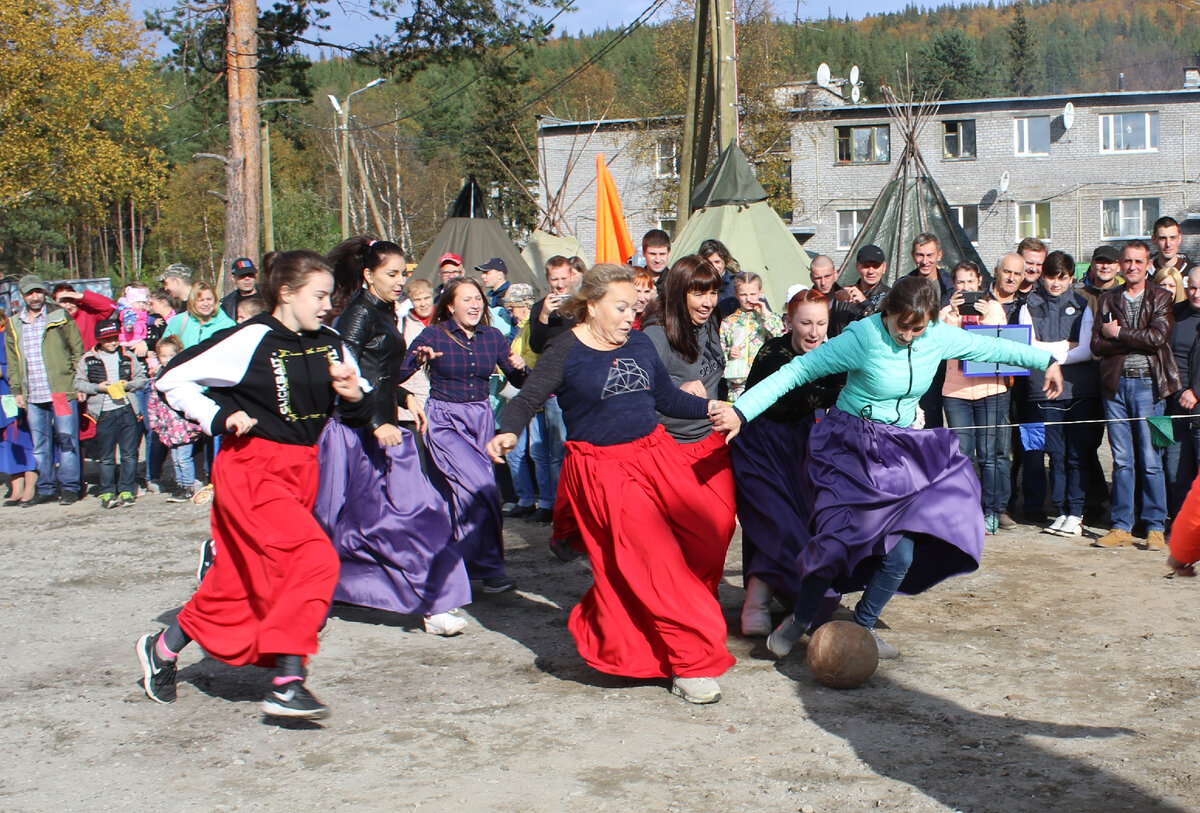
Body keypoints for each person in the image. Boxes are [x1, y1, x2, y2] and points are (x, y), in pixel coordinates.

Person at [710, 276, 1062, 660]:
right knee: (836, 543)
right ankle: (800, 619)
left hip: (900, 452)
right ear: (888, 313)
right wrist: (741, 411)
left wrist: (1046, 360)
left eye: (918, 328)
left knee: (902, 553)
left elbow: (987, 345)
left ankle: (862, 628)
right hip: (850, 448)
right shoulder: (862, 337)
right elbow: (795, 373)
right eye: (902, 327)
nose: (909, 336)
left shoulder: (937, 336)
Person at [135, 249, 369, 720]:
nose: (327, 306)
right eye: (318, 295)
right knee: (314, 559)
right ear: (286, 293)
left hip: (303, 470)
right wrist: (219, 415)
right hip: (252, 470)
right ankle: (287, 680)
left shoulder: (331, 343)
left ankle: (162, 647)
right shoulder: (253, 337)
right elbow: (171, 379)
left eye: (330, 296)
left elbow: (358, 413)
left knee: (241, 583)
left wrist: (354, 395)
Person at [486, 263, 735, 704]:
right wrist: (508, 430)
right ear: (592, 305)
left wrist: (711, 407)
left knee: (710, 531)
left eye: (634, 308)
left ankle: (639, 619)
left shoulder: (638, 343)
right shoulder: (566, 350)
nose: (629, 317)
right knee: (655, 561)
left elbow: (665, 398)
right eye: (621, 308)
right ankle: (688, 662)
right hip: (605, 472)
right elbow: (528, 397)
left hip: (656, 454)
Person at [316, 237, 469, 637]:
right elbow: (342, 377)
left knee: (421, 511)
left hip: (383, 430)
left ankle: (433, 603)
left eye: (404, 273)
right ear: (368, 275)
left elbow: (378, 371)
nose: (401, 281)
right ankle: (269, 579)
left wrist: (403, 393)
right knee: (331, 523)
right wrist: (374, 420)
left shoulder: (385, 311)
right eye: (392, 274)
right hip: (353, 434)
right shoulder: (357, 315)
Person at [399, 277, 526, 594]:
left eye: (478, 299)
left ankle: (461, 566)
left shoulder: (492, 336)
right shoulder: (433, 335)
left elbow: (519, 380)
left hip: (481, 420)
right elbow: (397, 374)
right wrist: (418, 359)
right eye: (466, 299)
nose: (474, 304)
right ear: (451, 305)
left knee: (471, 497)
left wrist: (521, 367)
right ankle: (487, 569)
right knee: (478, 490)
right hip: (445, 422)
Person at [731, 289, 843, 636]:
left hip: (802, 447)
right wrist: (849, 392)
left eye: (821, 323)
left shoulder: (833, 351)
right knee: (775, 523)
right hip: (760, 445)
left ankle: (775, 601)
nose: (814, 331)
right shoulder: (772, 352)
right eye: (806, 322)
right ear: (789, 322)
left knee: (799, 522)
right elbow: (796, 395)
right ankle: (757, 605)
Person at [1090, 240, 1180, 551]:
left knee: (1151, 458)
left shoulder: (1162, 296)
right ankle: (1121, 526)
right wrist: (1127, 340)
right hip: (1114, 387)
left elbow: (1156, 338)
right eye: (1127, 261)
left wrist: (1117, 334)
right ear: (1120, 264)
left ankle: (1155, 526)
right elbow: (1096, 345)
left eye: (1138, 262)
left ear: (1148, 264)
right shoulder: (1107, 299)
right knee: (1122, 460)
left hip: (1150, 387)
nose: (1132, 267)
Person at [1017, 251, 1099, 538]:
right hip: (1045, 392)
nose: (1055, 283)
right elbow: (1027, 346)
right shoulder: (1030, 304)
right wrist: (1065, 344)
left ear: (1071, 278)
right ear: (1043, 276)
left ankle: (1076, 512)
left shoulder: (1082, 304)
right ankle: (1062, 509)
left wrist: (1048, 352)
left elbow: (1086, 350)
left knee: (1077, 455)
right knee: (1057, 454)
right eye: (1051, 276)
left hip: (1079, 390)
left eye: (1062, 277)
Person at [940, 261, 1014, 535]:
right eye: (960, 282)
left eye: (970, 282)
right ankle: (964, 511)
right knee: (962, 455)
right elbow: (941, 340)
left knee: (990, 455)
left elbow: (1002, 343)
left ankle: (993, 511)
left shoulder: (994, 307)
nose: (966, 287)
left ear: (979, 282)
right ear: (954, 285)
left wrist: (986, 318)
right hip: (956, 391)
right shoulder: (946, 312)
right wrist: (953, 313)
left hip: (990, 389)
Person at [4, 275, 84, 505]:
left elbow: (77, 350)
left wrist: (77, 382)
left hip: (60, 390)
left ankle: (70, 487)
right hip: (32, 394)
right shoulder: (14, 324)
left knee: (67, 440)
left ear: (44, 292)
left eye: (38, 291)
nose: (35, 296)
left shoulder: (59, 316)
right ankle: (46, 488)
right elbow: (12, 361)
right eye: (30, 293)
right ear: (22, 295)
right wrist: (17, 390)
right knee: (40, 446)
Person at [74, 319, 147, 509]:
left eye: (115, 338)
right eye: (108, 340)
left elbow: (142, 378)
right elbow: (79, 383)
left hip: (127, 410)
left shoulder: (128, 356)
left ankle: (127, 489)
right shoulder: (88, 359)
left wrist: (128, 385)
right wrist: (97, 387)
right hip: (104, 412)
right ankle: (107, 491)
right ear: (99, 340)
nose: (113, 342)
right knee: (106, 456)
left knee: (130, 454)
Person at [146, 335, 201, 502]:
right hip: (168, 427)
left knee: (184, 459)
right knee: (175, 459)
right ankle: (181, 485)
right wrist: (154, 422)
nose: (167, 359)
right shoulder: (157, 377)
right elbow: (153, 402)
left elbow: (194, 400)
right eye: (163, 356)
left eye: (171, 355)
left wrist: (197, 424)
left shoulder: (184, 375)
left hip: (184, 426)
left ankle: (189, 486)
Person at [1165, 267, 1200, 515]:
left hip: (1197, 405)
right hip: (1173, 405)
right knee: (1173, 466)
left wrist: (1197, 391)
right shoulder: (1175, 314)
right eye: (1192, 287)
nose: (1196, 293)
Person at [719, 272, 784, 400]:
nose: (748, 299)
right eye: (743, 294)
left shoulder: (768, 318)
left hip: (763, 381)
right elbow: (719, 352)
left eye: (753, 294)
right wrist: (729, 352)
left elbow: (781, 337)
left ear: (760, 292)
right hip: (737, 385)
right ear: (736, 294)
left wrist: (766, 315)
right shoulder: (729, 322)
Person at [0, 314, 36, 506]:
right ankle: (16, 486)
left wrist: (3, 371)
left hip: (11, 393)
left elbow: (21, 363)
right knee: (6, 444)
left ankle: (30, 486)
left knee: (22, 439)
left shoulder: (9, 333)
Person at [831, 244, 891, 336]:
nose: (871, 271)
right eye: (866, 266)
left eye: (876, 266)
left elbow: (883, 330)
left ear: (884, 267)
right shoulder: (844, 295)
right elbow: (833, 330)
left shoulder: (891, 296)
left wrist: (865, 305)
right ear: (858, 267)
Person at [164, 282, 237, 349]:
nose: (206, 304)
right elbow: (164, 347)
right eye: (201, 300)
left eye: (209, 299)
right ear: (193, 301)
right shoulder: (180, 321)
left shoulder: (228, 325)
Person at [52, 284, 116, 352]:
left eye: (71, 300)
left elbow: (110, 307)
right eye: (63, 302)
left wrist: (82, 296)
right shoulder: (51, 320)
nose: (68, 306)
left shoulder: (88, 312)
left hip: (91, 358)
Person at [907, 233, 953, 304]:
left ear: (939, 255)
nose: (925, 261)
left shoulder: (951, 285)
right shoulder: (903, 287)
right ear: (913, 255)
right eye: (920, 255)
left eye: (929, 255)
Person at [698, 238, 740, 316]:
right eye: (708, 263)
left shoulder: (740, 281)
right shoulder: (695, 283)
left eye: (717, 262)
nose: (713, 266)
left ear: (725, 261)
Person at [1076, 245, 1123, 314]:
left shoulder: (1124, 296)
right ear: (1092, 265)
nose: (1105, 266)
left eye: (1110, 262)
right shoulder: (1078, 296)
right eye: (1100, 262)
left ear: (1118, 267)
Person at [1152, 215, 1192, 287]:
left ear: (1179, 238)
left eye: (1172, 238)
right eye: (1162, 238)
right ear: (1154, 239)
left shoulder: (1193, 273)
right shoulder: (1144, 275)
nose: (1168, 244)